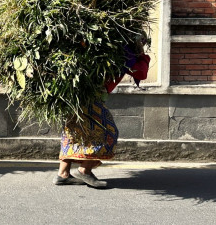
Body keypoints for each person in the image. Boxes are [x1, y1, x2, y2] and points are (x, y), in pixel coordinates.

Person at [55, 38, 150, 188]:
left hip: (74, 93)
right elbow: (141, 73)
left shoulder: (106, 47)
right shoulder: (126, 52)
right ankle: (84, 170)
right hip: (91, 97)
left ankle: (63, 174)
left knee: (74, 131)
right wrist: (143, 56)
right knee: (109, 133)